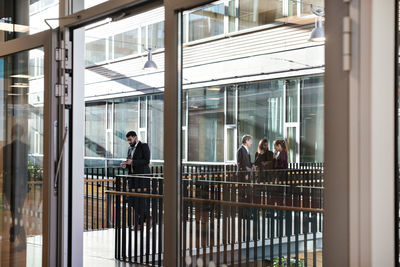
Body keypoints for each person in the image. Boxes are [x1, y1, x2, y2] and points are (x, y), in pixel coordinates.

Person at [3, 125, 28, 251]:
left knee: (16, 214)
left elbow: (4, 168)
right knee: (17, 213)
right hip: (22, 186)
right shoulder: (25, 148)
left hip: (10, 186)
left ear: (11, 133)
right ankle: (14, 234)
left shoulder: (6, 149)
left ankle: (21, 241)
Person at [120, 131, 151, 230]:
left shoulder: (143, 146)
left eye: (130, 139)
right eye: (128, 140)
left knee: (141, 200)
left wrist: (132, 161)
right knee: (132, 200)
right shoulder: (129, 149)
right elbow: (129, 161)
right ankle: (147, 218)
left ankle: (140, 224)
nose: (129, 142)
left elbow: (146, 161)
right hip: (132, 178)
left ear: (135, 137)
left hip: (141, 177)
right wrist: (125, 164)